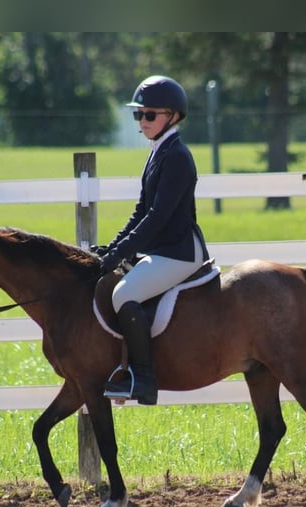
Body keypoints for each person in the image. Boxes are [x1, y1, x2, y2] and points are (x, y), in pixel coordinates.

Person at [95, 75, 210, 405]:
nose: (142, 121)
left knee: (125, 293)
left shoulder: (176, 156)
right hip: (161, 249)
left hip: (179, 252)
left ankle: (143, 380)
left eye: (149, 115)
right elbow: (140, 211)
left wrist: (122, 253)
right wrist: (113, 248)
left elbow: (157, 217)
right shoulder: (160, 151)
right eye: (138, 115)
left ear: (172, 116)